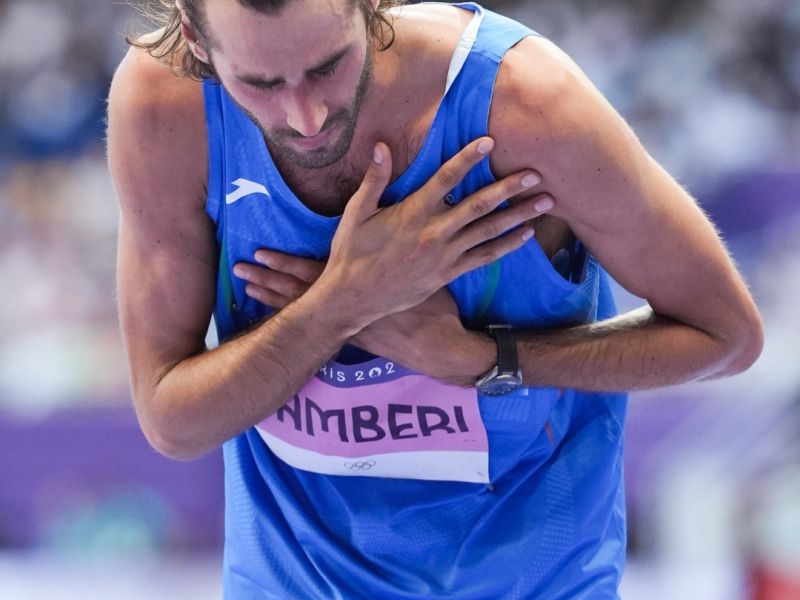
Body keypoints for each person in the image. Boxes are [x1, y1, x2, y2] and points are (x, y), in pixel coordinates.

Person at [107, 0, 764, 597]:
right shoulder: (167, 108)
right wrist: (343, 301)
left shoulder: (528, 107)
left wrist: (487, 360)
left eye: (328, 66)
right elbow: (172, 419)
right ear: (195, 40)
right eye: (259, 83)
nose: (303, 117)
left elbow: (725, 337)